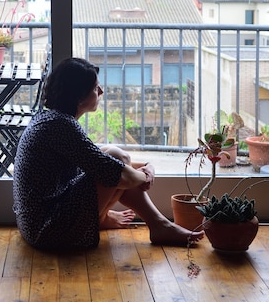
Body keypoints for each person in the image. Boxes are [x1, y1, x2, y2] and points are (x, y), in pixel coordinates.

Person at [13, 57, 204, 251]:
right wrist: (145, 175)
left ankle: (152, 224)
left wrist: (145, 167)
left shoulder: (52, 119)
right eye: (96, 88)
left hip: (37, 223)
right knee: (116, 159)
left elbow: (96, 160)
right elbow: (116, 173)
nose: (102, 91)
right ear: (79, 97)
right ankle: (159, 225)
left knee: (112, 156)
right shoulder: (60, 125)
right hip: (47, 230)